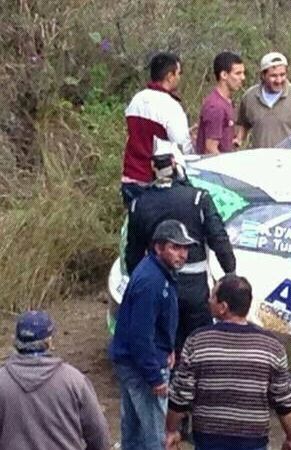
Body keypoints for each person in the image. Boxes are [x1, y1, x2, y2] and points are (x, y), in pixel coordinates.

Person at [166, 275, 291, 450]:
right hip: (253, 441)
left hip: (208, 440)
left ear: (223, 307)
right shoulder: (272, 346)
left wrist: (170, 430)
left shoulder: (197, 341)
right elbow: (285, 401)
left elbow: (181, 396)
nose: (208, 300)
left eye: (213, 296)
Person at [126, 149, 236, 354]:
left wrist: (137, 283)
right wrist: (230, 273)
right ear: (175, 164)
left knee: (166, 346)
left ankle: (170, 382)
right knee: (200, 346)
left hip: (158, 285)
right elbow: (218, 239)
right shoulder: (197, 198)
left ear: (152, 168)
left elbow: (133, 253)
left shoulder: (138, 204)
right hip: (195, 287)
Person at [110, 219, 195, 450]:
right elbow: (140, 334)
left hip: (135, 360)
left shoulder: (158, 272)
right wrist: (154, 376)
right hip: (141, 366)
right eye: (175, 247)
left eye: (185, 248)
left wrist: (168, 350)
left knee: (135, 429)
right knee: (154, 436)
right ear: (158, 248)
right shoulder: (151, 281)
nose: (183, 254)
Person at [0, 311, 111, 450]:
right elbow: (99, 433)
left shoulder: (2, 382)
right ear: (49, 342)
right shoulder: (74, 381)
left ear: (16, 341)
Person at [121, 52, 192, 207]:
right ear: (170, 76)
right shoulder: (170, 106)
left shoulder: (137, 99)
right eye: (178, 73)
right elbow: (181, 144)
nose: (179, 78)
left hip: (130, 177)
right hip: (155, 182)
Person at [236, 51, 291, 148]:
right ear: (263, 76)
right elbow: (243, 124)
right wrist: (238, 140)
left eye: (282, 75)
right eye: (273, 76)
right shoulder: (249, 97)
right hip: (260, 160)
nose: (279, 80)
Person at [196, 51, 247, 154]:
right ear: (224, 75)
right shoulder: (216, 106)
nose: (243, 78)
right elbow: (210, 147)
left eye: (243, 73)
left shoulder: (226, 102)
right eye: (238, 73)